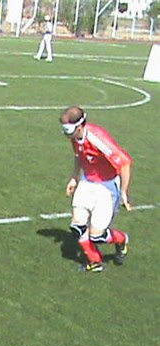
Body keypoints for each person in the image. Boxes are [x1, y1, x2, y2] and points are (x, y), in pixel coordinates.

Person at [59, 106, 132, 272]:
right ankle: (95, 262)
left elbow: (124, 163)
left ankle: (122, 240)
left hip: (106, 187)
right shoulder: (75, 137)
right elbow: (78, 156)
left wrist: (123, 192)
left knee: (97, 236)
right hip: (87, 182)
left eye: (67, 130)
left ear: (79, 126)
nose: (65, 133)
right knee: (77, 226)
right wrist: (74, 177)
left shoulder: (97, 139)